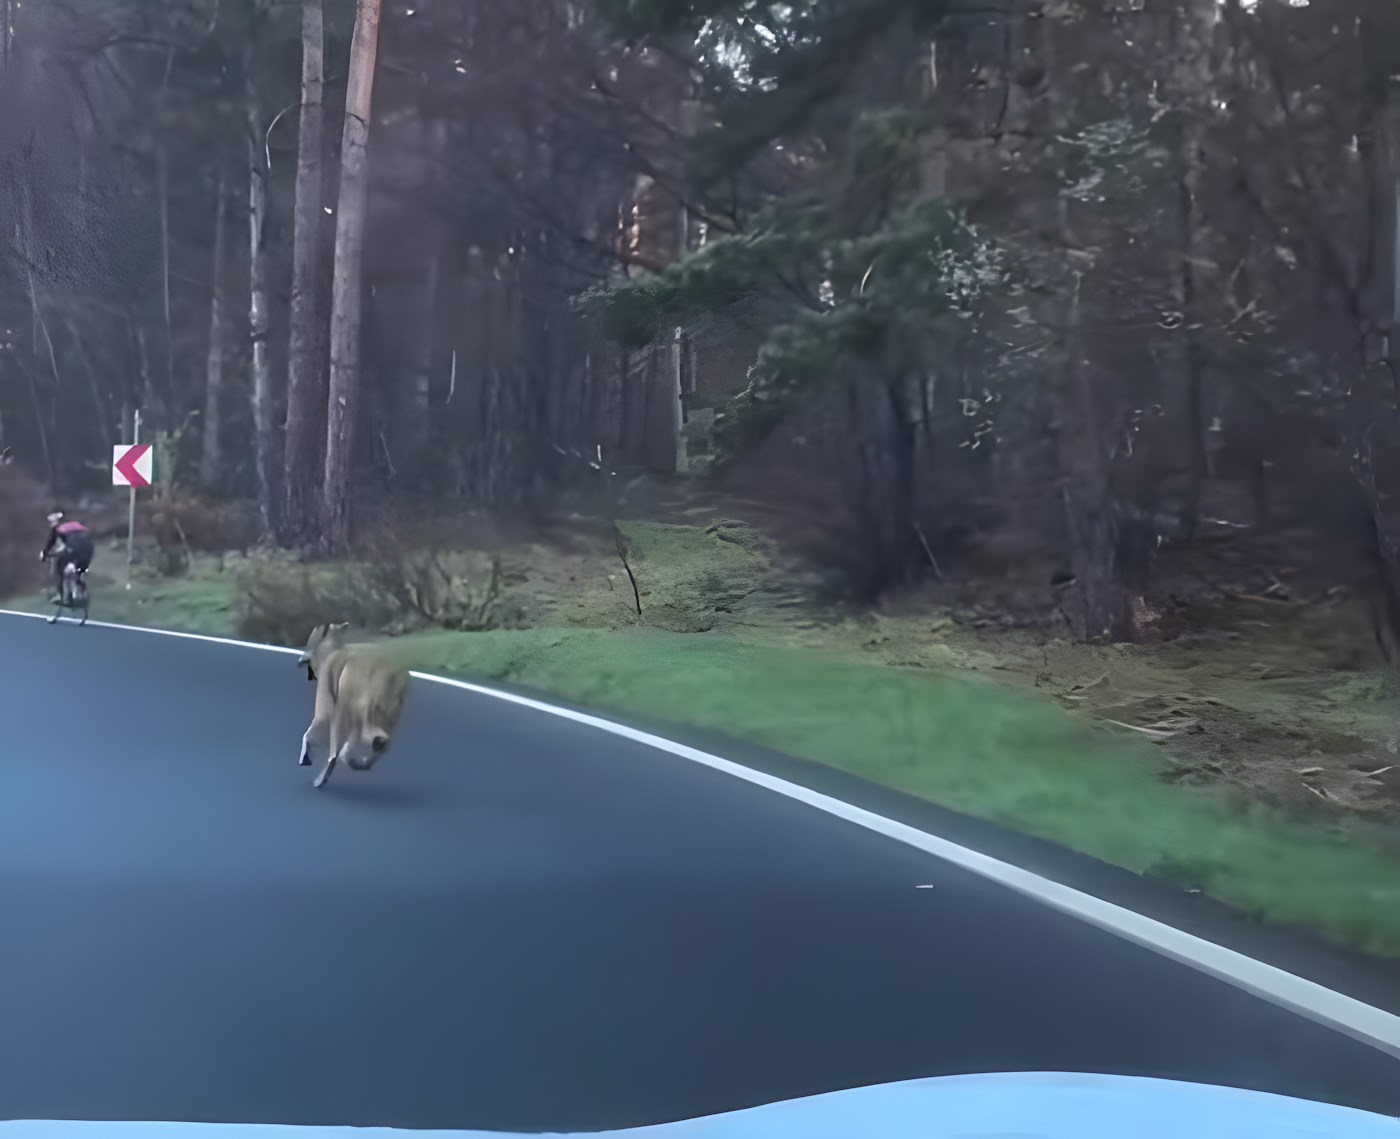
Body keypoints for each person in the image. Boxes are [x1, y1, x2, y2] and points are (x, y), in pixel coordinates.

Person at [40, 511, 94, 603]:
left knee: (60, 567)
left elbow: (51, 541)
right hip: (89, 548)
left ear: (56, 521)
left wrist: (45, 553)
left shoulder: (57, 528)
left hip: (74, 548)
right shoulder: (74, 524)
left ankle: (60, 595)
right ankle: (81, 587)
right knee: (80, 570)